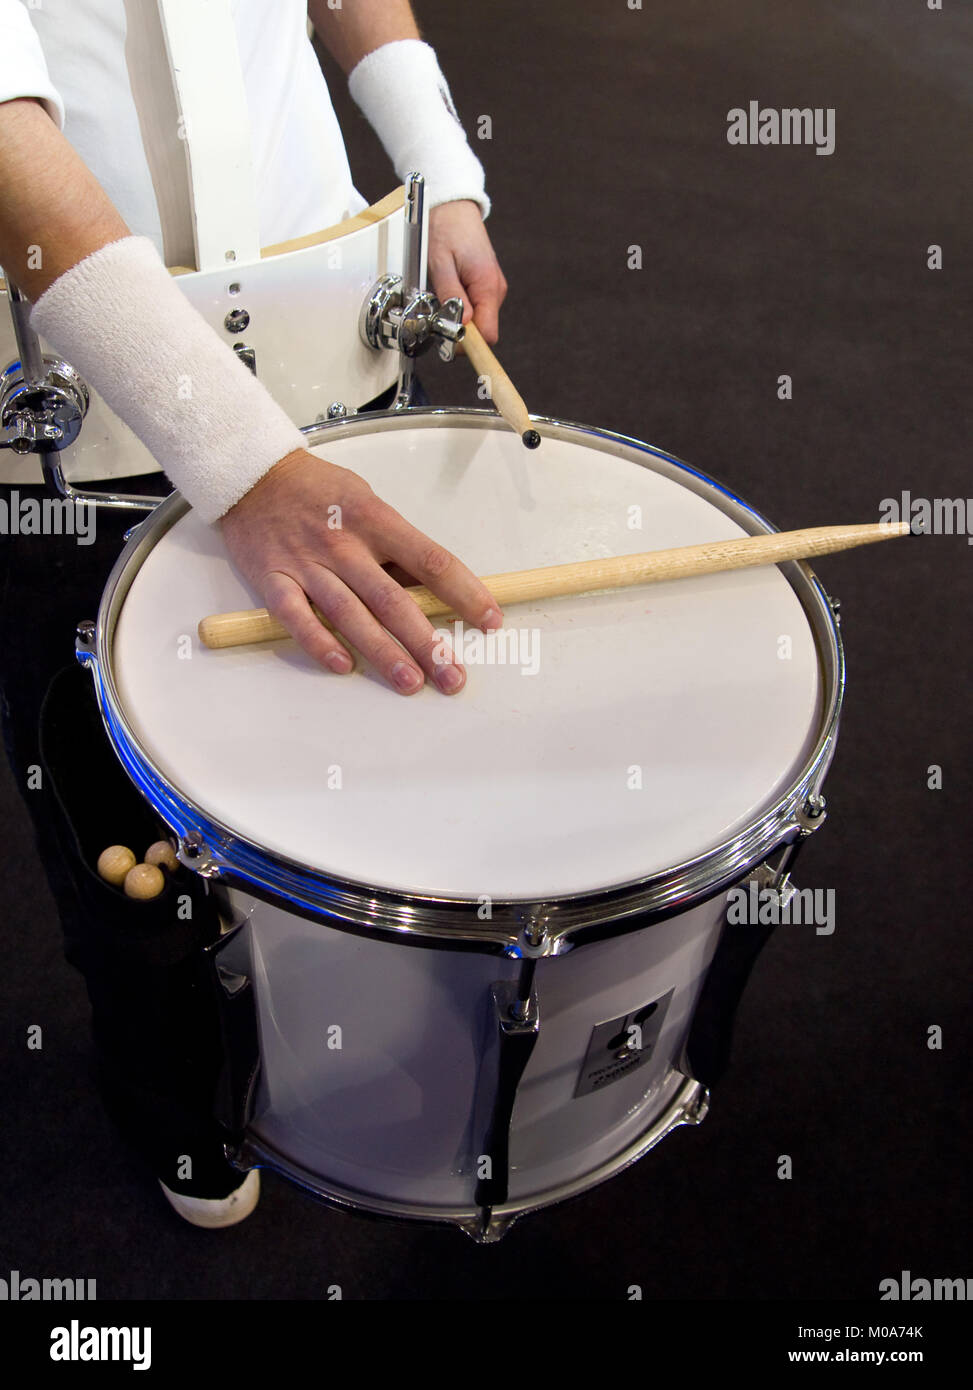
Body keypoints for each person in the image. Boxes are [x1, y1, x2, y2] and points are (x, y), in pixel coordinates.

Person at [0, 0, 507, 1226]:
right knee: (131, 847)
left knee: (364, 747)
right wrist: (239, 457)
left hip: (334, 329)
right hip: (76, 400)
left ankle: (356, 1051)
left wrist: (437, 169)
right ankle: (178, 1109)